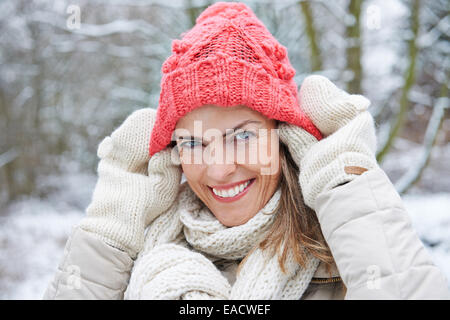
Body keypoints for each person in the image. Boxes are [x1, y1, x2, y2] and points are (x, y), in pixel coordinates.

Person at [43, 2, 449, 300]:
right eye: (193, 142)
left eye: (243, 135)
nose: (219, 170)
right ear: (171, 154)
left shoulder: (346, 259)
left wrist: (350, 191)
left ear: (284, 136)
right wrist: (111, 227)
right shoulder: (134, 262)